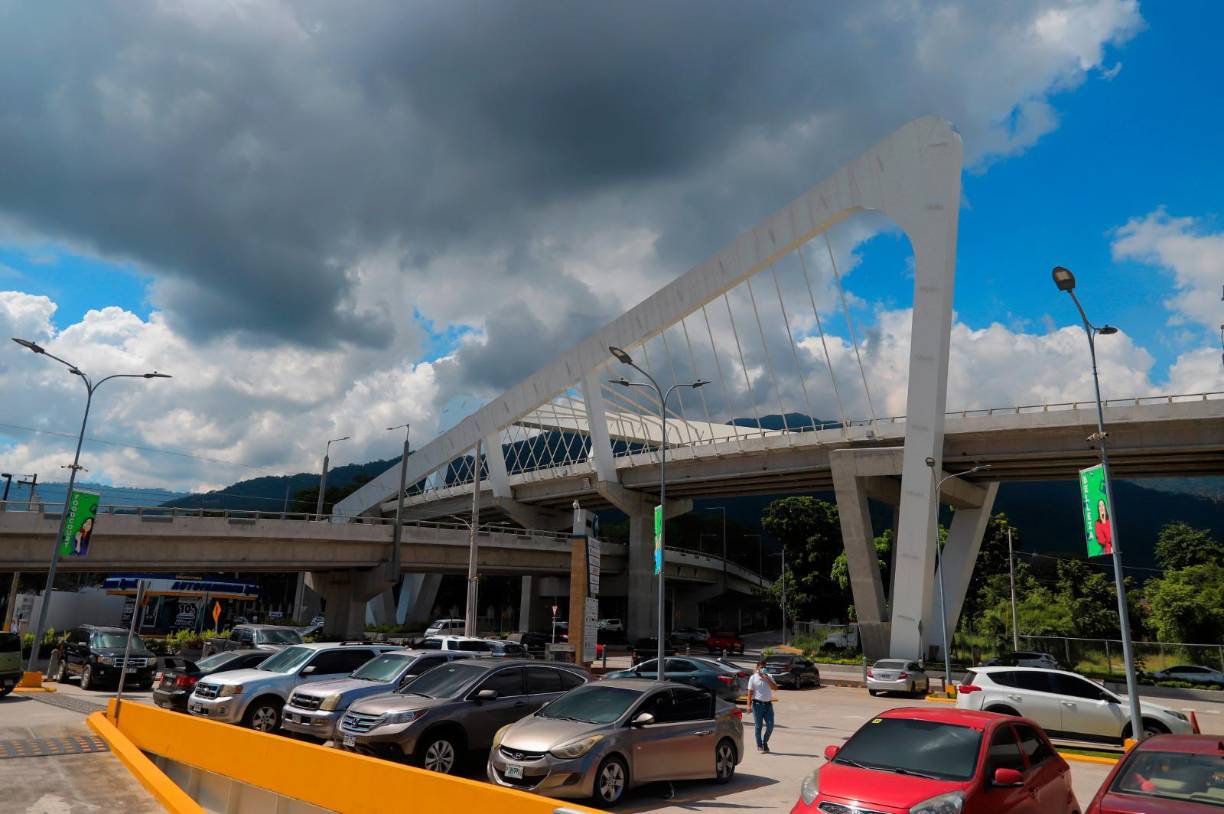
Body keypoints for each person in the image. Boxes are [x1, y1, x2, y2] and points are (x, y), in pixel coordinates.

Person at [747, 658, 779, 753]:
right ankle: (759, 745)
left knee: (770, 725)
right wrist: (748, 705)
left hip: (768, 705)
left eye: (765, 667)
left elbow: (775, 688)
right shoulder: (753, 678)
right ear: (757, 667)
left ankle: (765, 742)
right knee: (758, 726)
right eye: (761, 667)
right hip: (757, 705)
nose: (763, 669)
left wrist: (767, 679)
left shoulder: (769, 676)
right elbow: (750, 693)